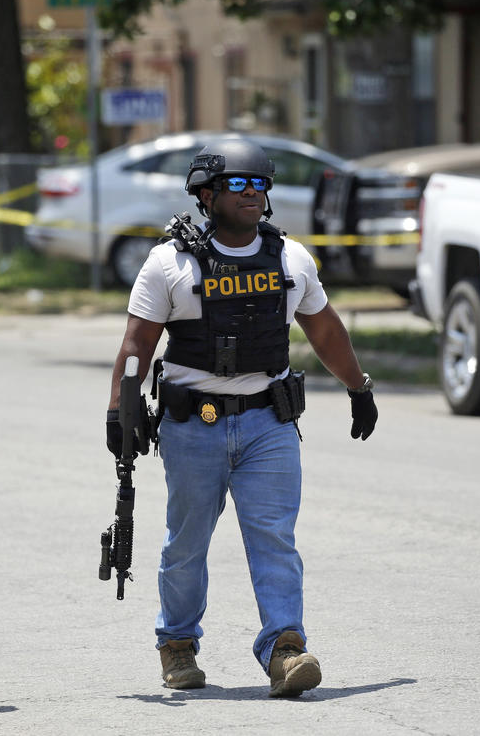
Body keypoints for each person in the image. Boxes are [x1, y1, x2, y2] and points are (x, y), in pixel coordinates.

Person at [106, 138, 377, 697]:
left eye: (259, 184)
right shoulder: (169, 264)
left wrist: (358, 386)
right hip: (192, 425)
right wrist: (120, 410)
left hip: (268, 424)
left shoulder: (290, 259)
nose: (252, 193)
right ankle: (177, 644)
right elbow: (136, 345)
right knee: (186, 543)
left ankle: (286, 648)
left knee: (274, 538)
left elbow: (324, 329)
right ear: (206, 194)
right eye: (237, 184)